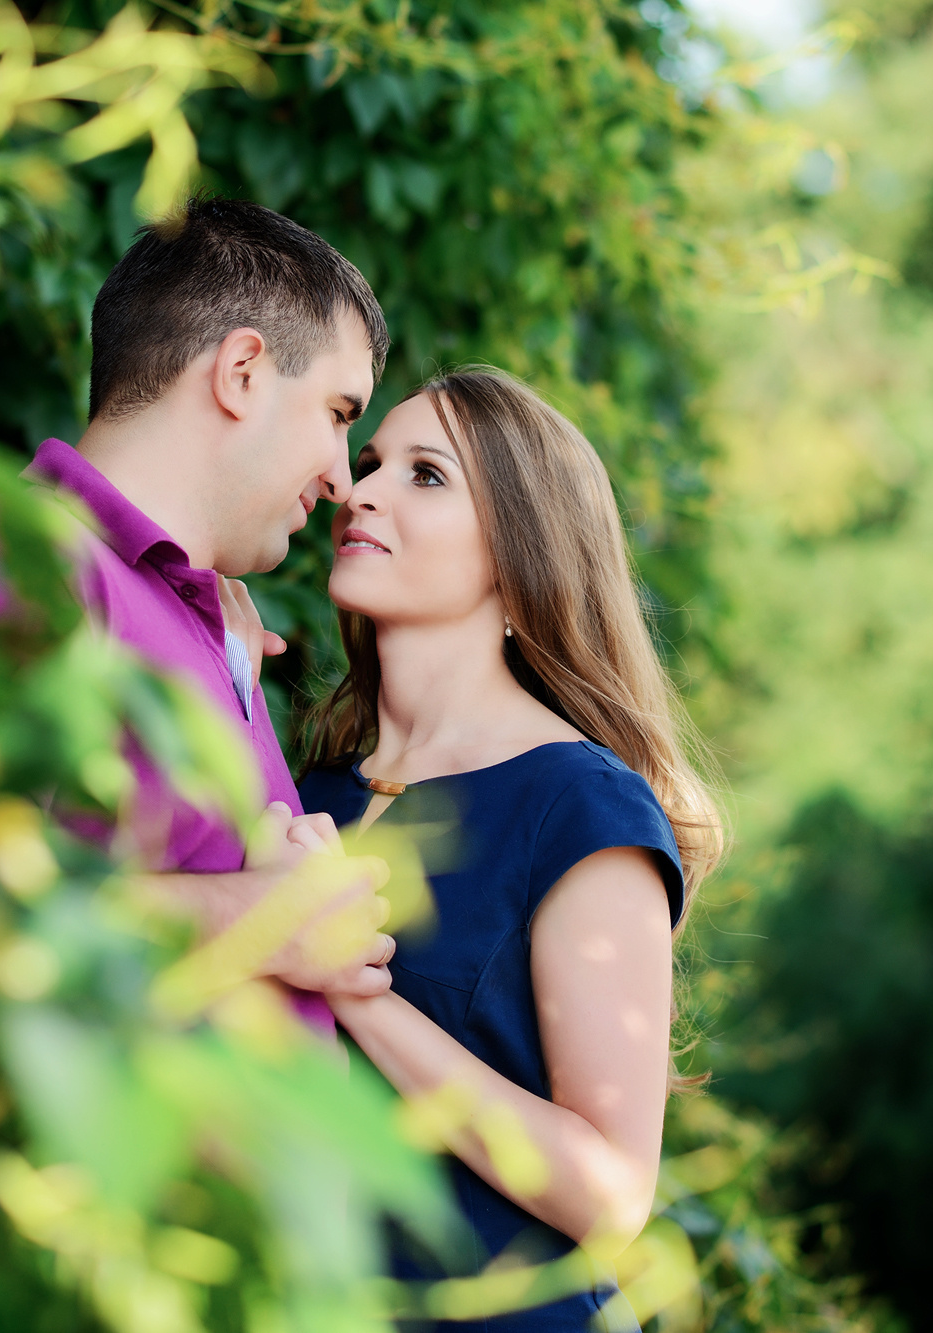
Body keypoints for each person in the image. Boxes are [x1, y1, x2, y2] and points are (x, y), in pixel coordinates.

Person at [290, 367, 725, 1328]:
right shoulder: (310, 790)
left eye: (426, 475)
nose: (359, 490)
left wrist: (355, 992)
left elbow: (612, 1194)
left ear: (518, 558)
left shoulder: (582, 807)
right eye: (369, 464)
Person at [0, 199, 397, 1006]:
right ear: (241, 372)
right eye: (338, 414)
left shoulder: (207, 629)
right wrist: (264, 918)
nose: (343, 480)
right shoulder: (16, 559)